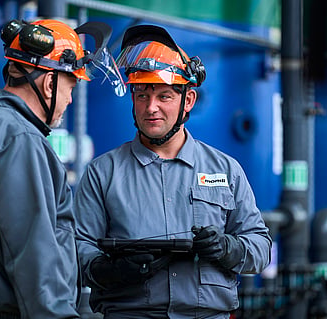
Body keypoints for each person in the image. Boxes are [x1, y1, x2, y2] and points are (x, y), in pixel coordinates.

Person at [0, 19, 125, 319]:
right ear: (48, 84)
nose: (70, 99)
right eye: (71, 86)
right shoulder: (21, 142)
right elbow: (36, 261)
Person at [74, 24, 272, 318]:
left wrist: (227, 247)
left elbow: (260, 247)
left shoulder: (226, 170)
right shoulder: (103, 173)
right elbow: (76, 247)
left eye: (164, 96)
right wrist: (106, 269)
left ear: (187, 101)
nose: (150, 107)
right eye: (141, 95)